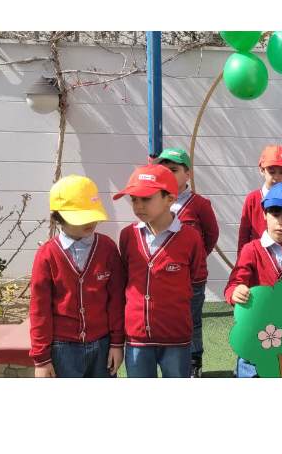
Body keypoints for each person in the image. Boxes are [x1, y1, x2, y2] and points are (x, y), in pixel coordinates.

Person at [114, 164, 207, 378]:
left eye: (146, 199)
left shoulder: (190, 238)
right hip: (137, 338)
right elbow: (125, 278)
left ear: (170, 199)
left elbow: (196, 278)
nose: (138, 206)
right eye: (134, 199)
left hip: (176, 338)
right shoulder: (128, 235)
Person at [29, 175, 125, 378]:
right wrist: (41, 359)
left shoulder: (107, 248)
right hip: (62, 348)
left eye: (92, 214)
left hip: (102, 345)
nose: (90, 221)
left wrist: (117, 343)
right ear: (58, 217)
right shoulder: (47, 255)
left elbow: (116, 300)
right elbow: (39, 309)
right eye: (81, 217)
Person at [225, 182, 282, 377]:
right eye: (275, 214)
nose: (281, 222)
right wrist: (235, 292)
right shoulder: (251, 250)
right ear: (264, 213)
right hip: (254, 337)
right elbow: (234, 283)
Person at [156, 147, 219, 378]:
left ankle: (194, 363)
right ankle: (166, 362)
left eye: (173, 170)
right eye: (163, 170)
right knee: (165, 321)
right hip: (163, 277)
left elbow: (211, 236)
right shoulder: (154, 200)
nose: (168, 174)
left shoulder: (200, 204)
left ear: (188, 174)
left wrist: (196, 260)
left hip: (192, 279)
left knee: (192, 321)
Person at [238, 144, 282, 253]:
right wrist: (241, 258)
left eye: (281, 172)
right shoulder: (252, 199)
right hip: (257, 257)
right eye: (272, 172)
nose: (276, 177)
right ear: (262, 170)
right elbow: (244, 234)